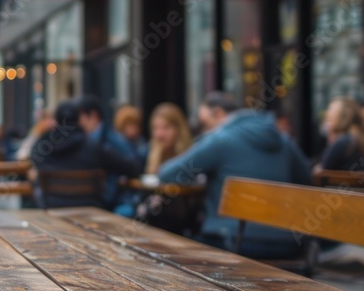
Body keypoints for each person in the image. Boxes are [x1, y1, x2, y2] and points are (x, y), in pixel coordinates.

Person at [158, 104, 312, 260]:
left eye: (204, 124)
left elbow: (168, 174)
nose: (203, 131)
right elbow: (306, 180)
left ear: (219, 115)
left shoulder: (221, 139)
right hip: (287, 243)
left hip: (232, 240)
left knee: (172, 249)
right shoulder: (284, 142)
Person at [30, 99, 141, 208]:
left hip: (52, 207)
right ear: (79, 118)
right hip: (89, 208)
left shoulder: (43, 146)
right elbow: (132, 168)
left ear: (57, 119)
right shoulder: (92, 146)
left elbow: (33, 162)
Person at [76, 95, 141, 215]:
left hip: (112, 202)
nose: (78, 122)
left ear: (93, 116)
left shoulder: (112, 140)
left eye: (80, 117)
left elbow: (134, 167)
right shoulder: (88, 140)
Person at [137, 103, 196, 234]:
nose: (159, 134)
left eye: (166, 128)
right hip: (153, 225)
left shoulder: (190, 155)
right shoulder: (146, 152)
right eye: (155, 128)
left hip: (182, 225)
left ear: (178, 129)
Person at [318, 97, 364, 172]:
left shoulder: (344, 141)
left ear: (344, 116)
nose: (327, 115)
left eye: (331, 111)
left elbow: (323, 169)